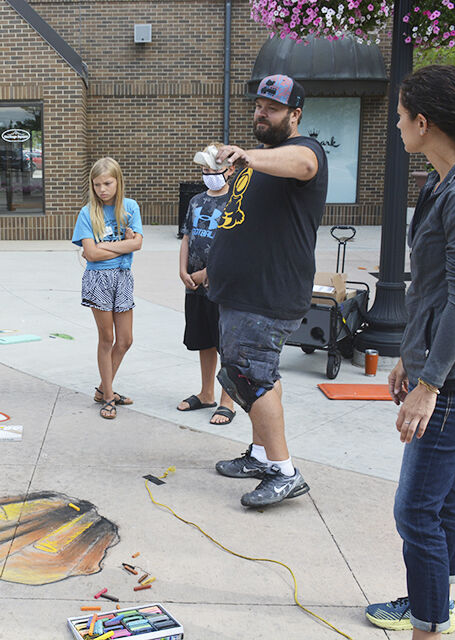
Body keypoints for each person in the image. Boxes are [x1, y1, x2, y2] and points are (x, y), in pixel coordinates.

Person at [365, 64, 455, 639]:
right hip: (444, 371)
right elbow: (432, 290)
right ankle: (437, 599)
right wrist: (407, 355)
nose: (397, 128)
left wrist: (429, 386)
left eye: (401, 118)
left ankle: (429, 620)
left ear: (423, 123)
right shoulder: (444, 181)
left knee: (414, 510)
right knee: (438, 495)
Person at [208, 74, 327, 508]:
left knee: (250, 376)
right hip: (241, 292)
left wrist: (249, 157)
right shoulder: (260, 162)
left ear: (294, 114)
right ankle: (261, 455)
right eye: (259, 106)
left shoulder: (303, 152)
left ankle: (284, 471)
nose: (262, 113)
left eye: (273, 108)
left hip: (268, 295)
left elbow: (304, 164)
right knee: (254, 376)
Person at [72, 157, 143, 420]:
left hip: (123, 277)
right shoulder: (87, 213)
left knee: (125, 340)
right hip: (98, 280)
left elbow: (137, 245)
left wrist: (103, 247)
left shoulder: (130, 208)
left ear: (118, 181)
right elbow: (90, 254)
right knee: (107, 339)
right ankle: (109, 397)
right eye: (97, 184)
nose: (102, 189)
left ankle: (103, 389)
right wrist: (120, 246)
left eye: (108, 183)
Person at [177, 145, 237, 425]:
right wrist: (183, 270)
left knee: (224, 342)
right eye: (205, 170)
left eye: (215, 170)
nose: (209, 175)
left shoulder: (236, 202)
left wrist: (208, 273)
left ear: (230, 170)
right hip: (194, 285)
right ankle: (206, 393)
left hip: (221, 286)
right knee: (204, 340)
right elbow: (187, 237)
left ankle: (228, 401)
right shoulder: (196, 201)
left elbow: (234, 248)